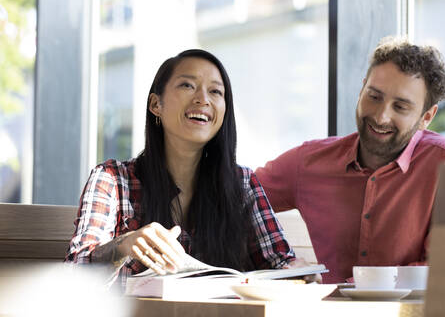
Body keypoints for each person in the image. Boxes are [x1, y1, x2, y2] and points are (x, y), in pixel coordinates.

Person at [65, 49, 301, 290]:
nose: (203, 99)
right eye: (188, 85)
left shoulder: (243, 184)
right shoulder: (112, 180)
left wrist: (297, 273)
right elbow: (76, 274)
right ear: (156, 104)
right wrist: (124, 245)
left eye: (215, 91)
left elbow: (281, 263)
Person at [255, 37, 445, 284]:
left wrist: (363, 284)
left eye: (400, 107)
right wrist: (280, 261)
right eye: (374, 96)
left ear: (426, 117)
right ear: (362, 89)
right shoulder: (308, 162)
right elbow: (235, 195)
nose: (381, 116)